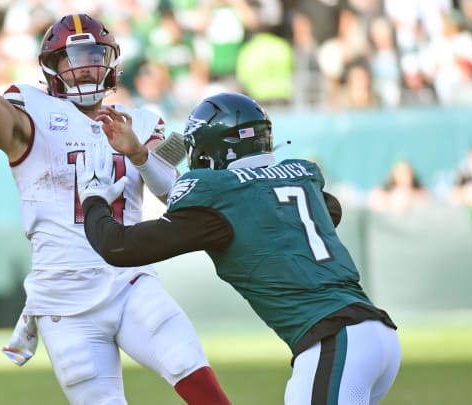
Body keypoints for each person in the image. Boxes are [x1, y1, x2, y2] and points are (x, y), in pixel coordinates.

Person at [0, 2, 230, 404]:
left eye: (94, 57)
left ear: (111, 63)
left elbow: (177, 196)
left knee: (192, 370)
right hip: (64, 300)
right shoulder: (33, 111)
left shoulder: (141, 122)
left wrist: (140, 155)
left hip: (130, 282)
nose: (86, 68)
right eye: (72, 59)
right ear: (51, 68)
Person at [78, 92, 402, 404]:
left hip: (334, 340)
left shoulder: (222, 200)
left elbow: (119, 247)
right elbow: (321, 209)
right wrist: (142, 157)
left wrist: (93, 198)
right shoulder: (296, 184)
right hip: (377, 336)